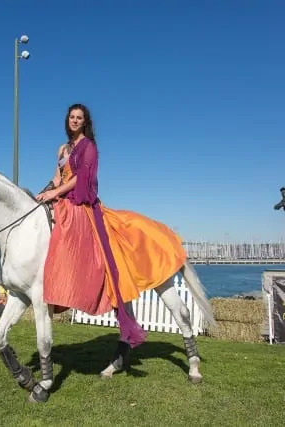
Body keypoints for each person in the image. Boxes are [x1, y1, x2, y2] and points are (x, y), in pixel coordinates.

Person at [36, 103, 187, 348]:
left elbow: (79, 180)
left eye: (79, 118)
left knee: (101, 249)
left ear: (85, 122)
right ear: (67, 120)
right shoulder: (62, 148)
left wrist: (56, 194)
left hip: (82, 202)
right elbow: (57, 177)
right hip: (62, 199)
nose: (75, 121)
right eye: (72, 117)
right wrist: (44, 193)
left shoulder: (89, 147)